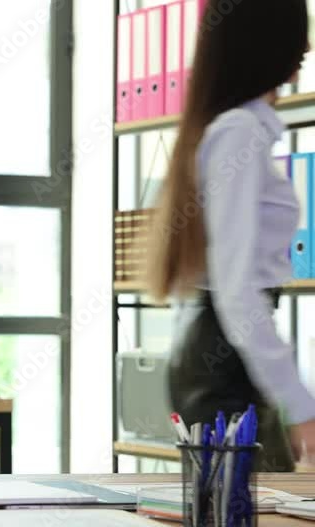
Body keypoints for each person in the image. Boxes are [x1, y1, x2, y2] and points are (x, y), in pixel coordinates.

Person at [146, 0, 313, 470]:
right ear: (263, 40)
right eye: (295, 32)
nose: (306, 46)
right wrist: (301, 406)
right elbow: (237, 291)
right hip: (222, 364)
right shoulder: (238, 133)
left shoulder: (243, 129)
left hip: (225, 356)